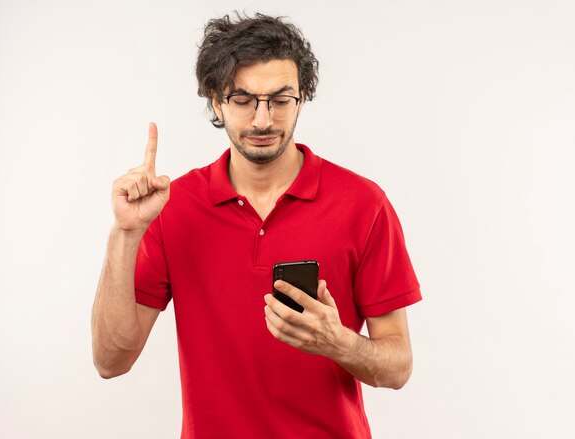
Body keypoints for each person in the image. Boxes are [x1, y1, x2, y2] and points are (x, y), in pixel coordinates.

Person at [91, 11, 422, 439]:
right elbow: (110, 362)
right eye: (244, 100)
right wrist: (125, 234)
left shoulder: (364, 204)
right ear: (216, 100)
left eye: (281, 100)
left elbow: (398, 367)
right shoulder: (172, 207)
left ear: (302, 97)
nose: (263, 120)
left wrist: (337, 342)